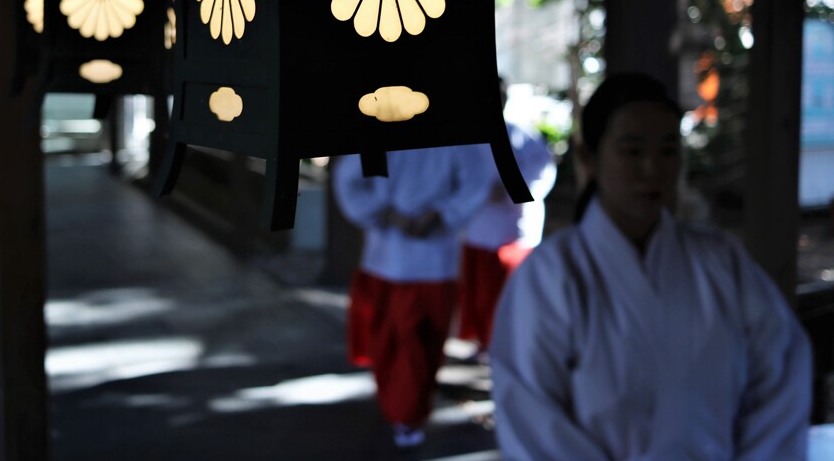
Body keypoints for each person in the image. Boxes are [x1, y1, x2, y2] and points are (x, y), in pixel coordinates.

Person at [488, 71, 812, 461]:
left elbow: (781, 374)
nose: (652, 169)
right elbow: (529, 415)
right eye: (632, 150)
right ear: (588, 158)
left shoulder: (721, 262)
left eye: (668, 150)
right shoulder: (551, 276)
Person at [331, 144, 495, 449]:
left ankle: (404, 411)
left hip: (421, 262)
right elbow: (348, 177)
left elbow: (477, 179)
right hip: (396, 260)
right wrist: (418, 215)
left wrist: (432, 214)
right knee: (403, 345)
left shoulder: (454, 140)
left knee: (413, 346)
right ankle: (403, 411)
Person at [456, 77, 558, 357]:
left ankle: (510, 346)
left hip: (512, 230)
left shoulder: (522, 134)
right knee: (481, 295)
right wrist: (476, 195)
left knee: (510, 296)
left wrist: (510, 190)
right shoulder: (467, 137)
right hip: (478, 228)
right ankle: (485, 344)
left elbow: (544, 171)